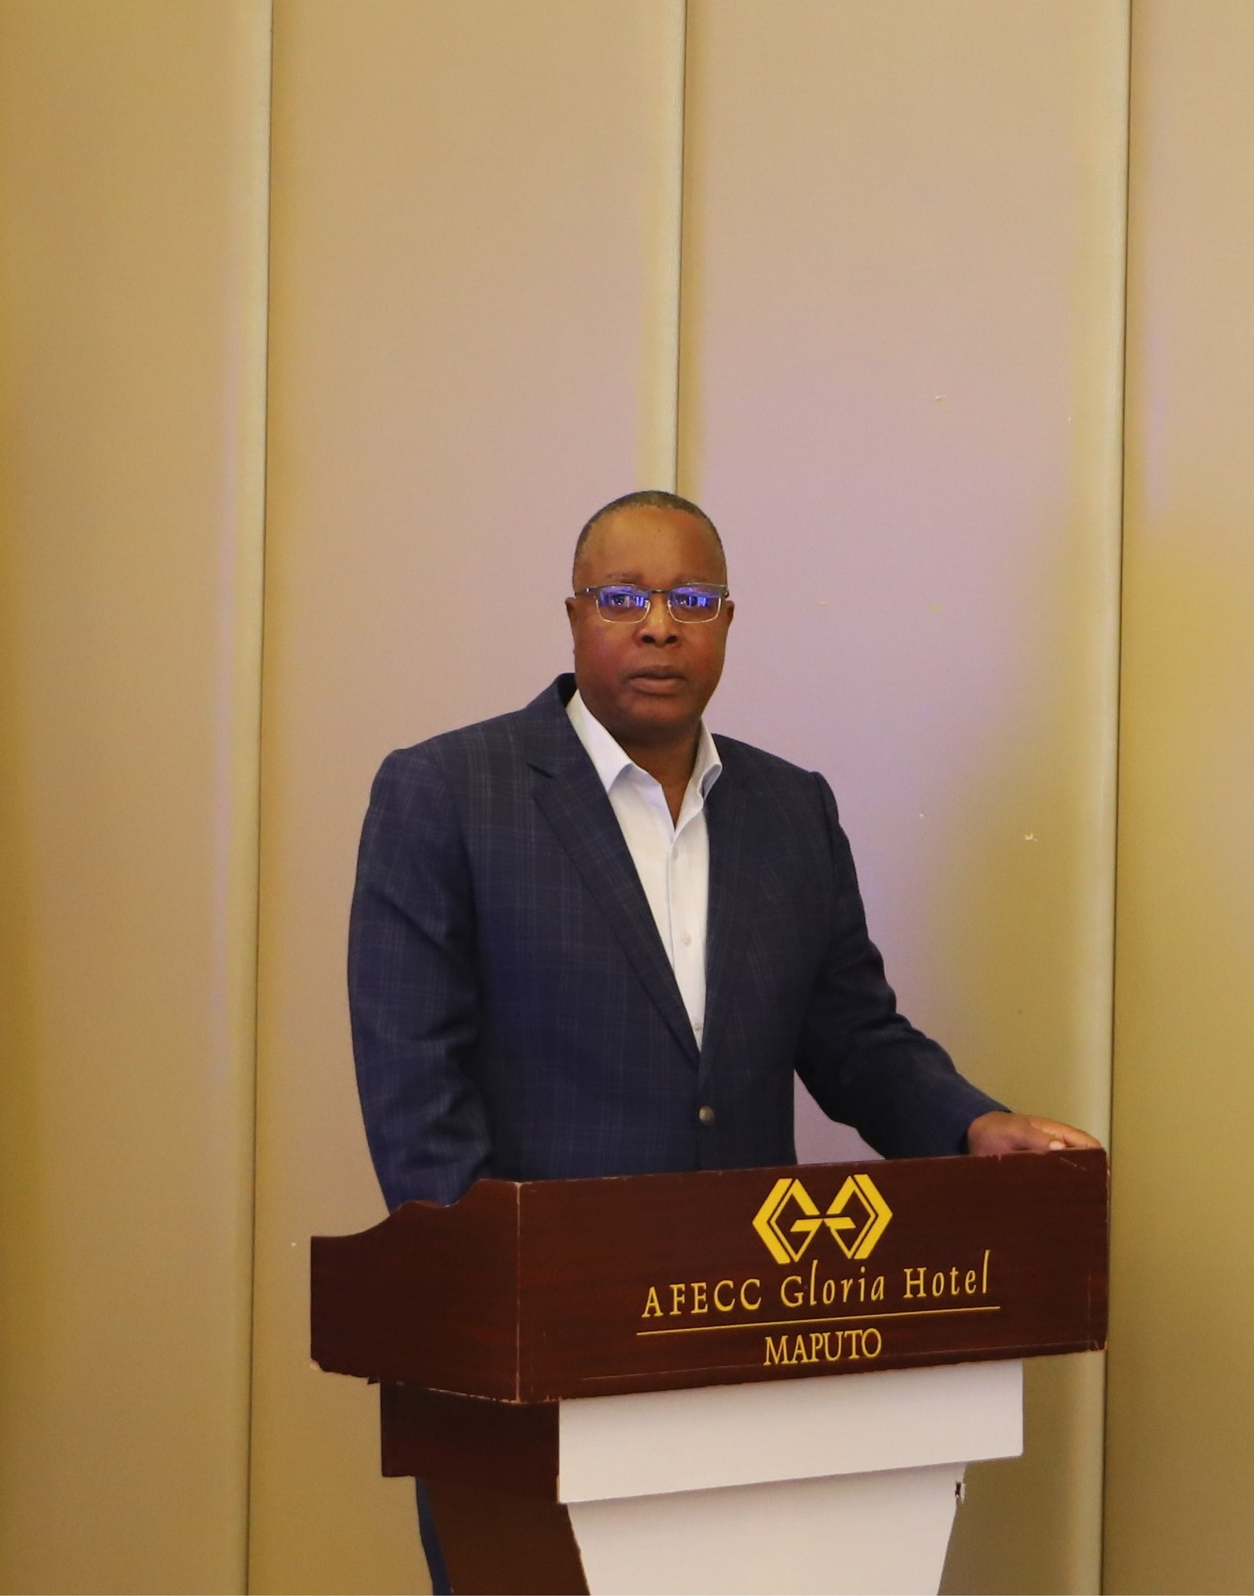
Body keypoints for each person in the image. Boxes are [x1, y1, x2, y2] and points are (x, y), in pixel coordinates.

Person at [349, 489, 1100, 1591]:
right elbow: (414, 1085)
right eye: (623, 598)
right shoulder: (447, 793)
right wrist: (488, 1298)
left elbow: (854, 1036)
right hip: (536, 1348)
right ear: (573, 615)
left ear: (728, 622)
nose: (659, 626)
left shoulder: (790, 809)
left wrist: (972, 1126)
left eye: (690, 600)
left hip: (752, 1332)